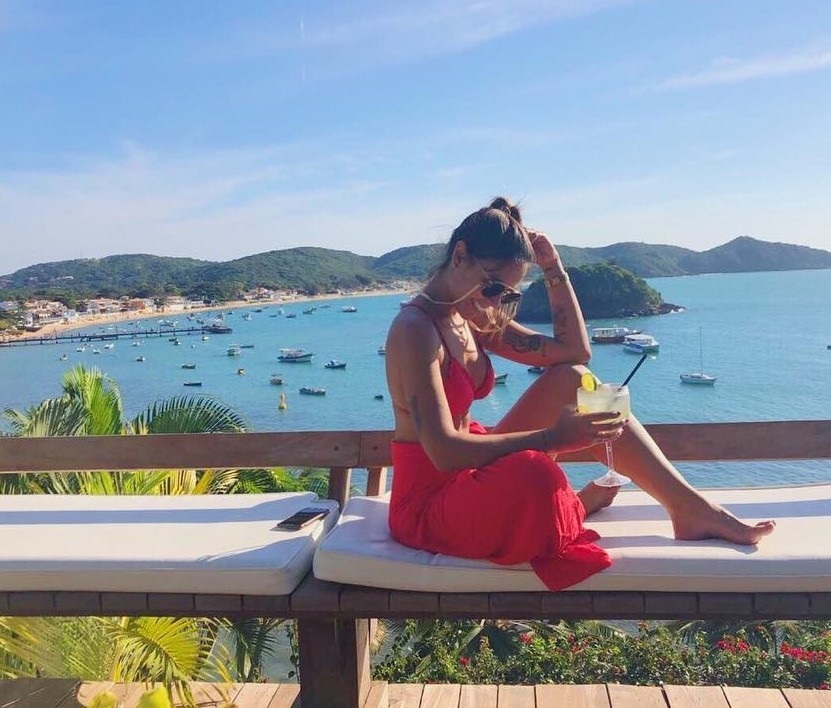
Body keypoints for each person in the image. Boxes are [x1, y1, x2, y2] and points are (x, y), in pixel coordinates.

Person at [384, 196, 775, 591]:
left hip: (467, 473)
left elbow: (574, 354)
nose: (495, 301)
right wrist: (552, 438)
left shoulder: (469, 317)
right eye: (494, 286)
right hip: (427, 502)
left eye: (507, 294)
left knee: (573, 380)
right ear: (460, 256)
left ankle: (687, 507)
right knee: (534, 474)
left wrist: (554, 268)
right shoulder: (416, 329)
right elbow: (444, 452)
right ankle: (578, 505)